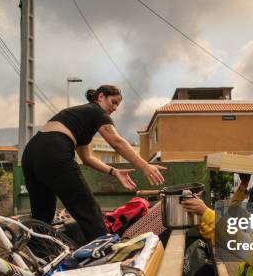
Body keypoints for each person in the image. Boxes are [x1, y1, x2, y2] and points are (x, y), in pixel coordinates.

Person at [22, 85, 166, 243]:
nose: (115, 108)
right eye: (113, 102)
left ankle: (38, 258)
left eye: (118, 104)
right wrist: (145, 166)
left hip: (31, 154)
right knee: (90, 214)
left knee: (42, 218)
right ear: (101, 97)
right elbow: (116, 142)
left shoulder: (79, 118)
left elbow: (87, 158)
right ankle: (105, 257)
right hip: (54, 150)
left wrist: (114, 171)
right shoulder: (96, 111)